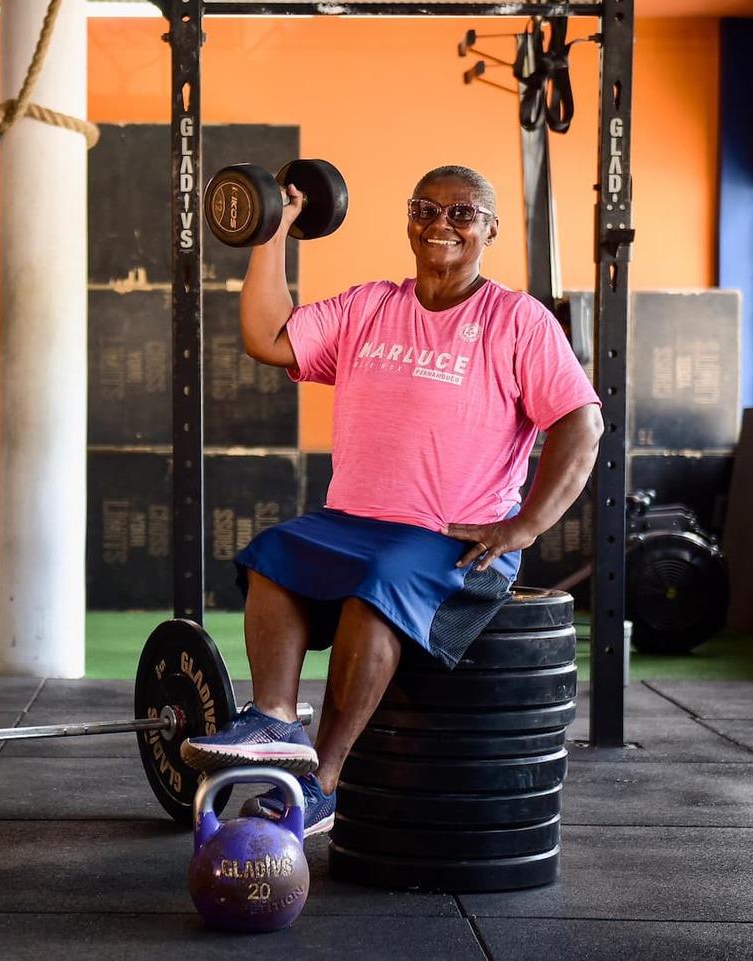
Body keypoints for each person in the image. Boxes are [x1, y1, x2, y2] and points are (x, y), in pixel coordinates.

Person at [180, 164, 604, 837]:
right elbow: (268, 335)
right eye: (426, 209)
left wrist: (526, 524)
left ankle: (320, 782)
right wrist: (273, 228)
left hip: (452, 538)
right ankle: (276, 720)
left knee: (378, 585)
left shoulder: (516, 320)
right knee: (274, 552)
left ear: (490, 228)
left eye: (463, 213)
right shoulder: (369, 306)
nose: (442, 225)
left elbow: (582, 424)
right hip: (353, 524)